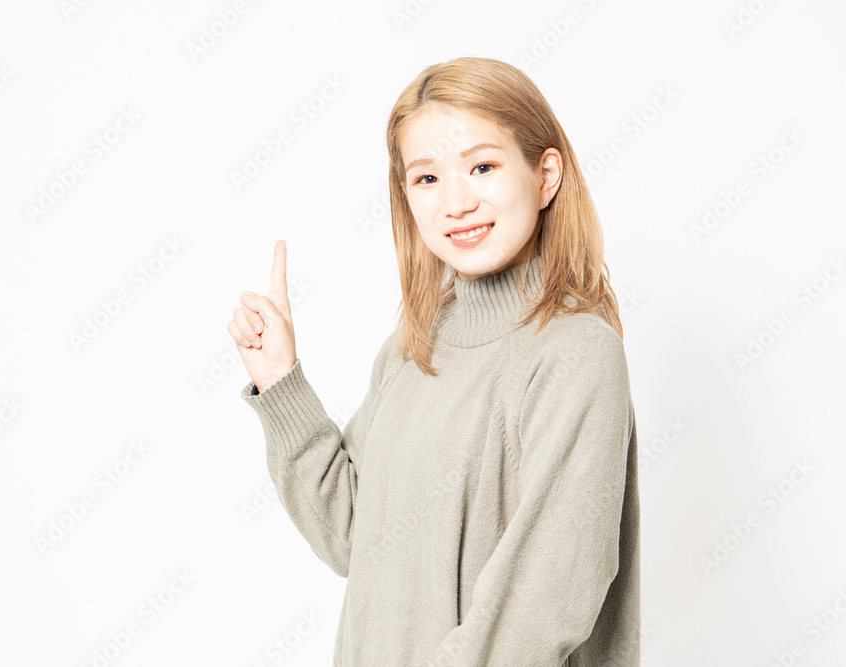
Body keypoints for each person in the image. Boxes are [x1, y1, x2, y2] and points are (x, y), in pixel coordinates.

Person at [228, 56, 640, 666]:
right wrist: (281, 382)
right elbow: (353, 539)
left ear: (546, 175)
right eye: (427, 178)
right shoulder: (411, 347)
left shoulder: (576, 352)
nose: (457, 202)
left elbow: (549, 593)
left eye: (482, 166)